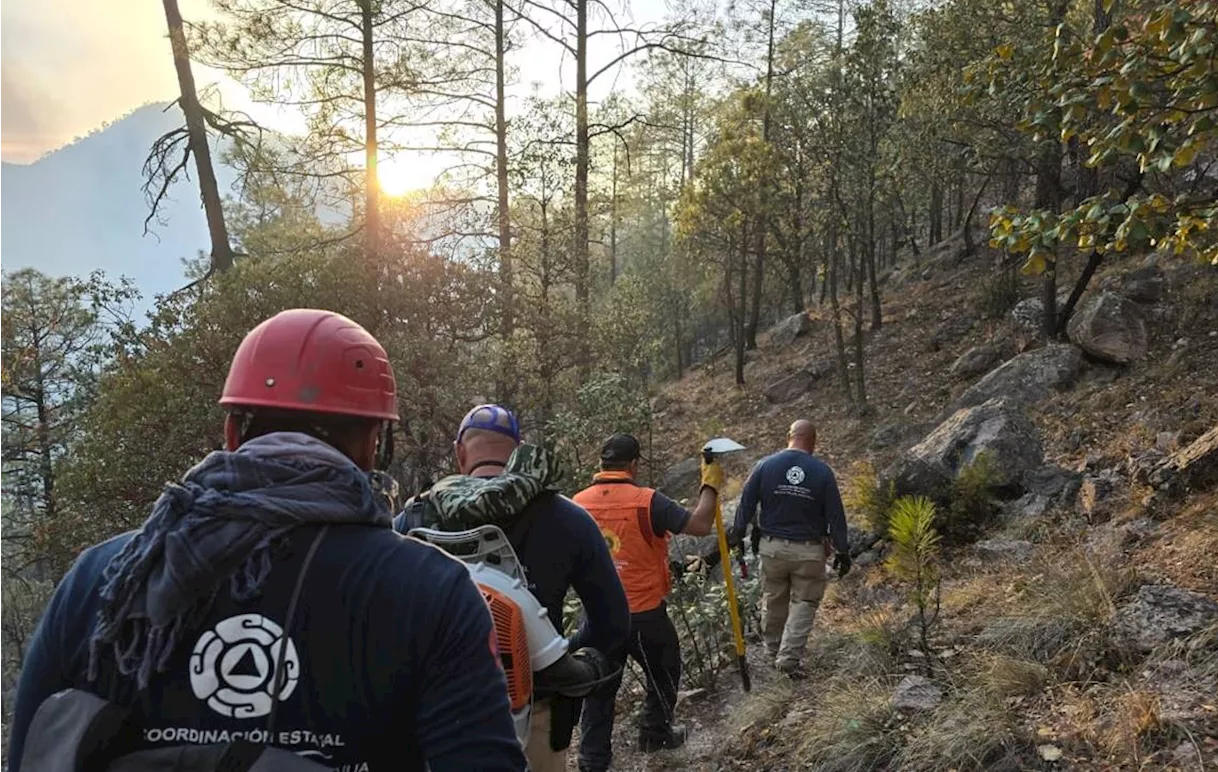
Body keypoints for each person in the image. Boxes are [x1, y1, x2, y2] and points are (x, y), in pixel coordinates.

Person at [7, 309, 526, 772]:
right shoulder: (434, 591)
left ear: (232, 431)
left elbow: (33, 750)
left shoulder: (102, 577)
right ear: (373, 445)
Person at [394, 405, 630, 772]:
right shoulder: (568, 518)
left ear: (460, 453)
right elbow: (612, 622)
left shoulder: (411, 520)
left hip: (433, 716)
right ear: (518, 450)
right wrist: (568, 662)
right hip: (538, 709)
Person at [571, 433, 724, 772]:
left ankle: (592, 760)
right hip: (644, 614)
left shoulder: (577, 502)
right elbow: (700, 525)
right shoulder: (647, 500)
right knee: (666, 669)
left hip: (596, 616)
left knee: (599, 687)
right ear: (634, 464)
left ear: (601, 463)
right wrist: (709, 485)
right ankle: (654, 734)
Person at [730, 419, 850, 678]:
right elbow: (836, 517)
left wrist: (737, 536)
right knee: (804, 602)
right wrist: (843, 550)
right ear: (813, 441)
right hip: (808, 552)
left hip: (772, 549)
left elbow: (745, 506)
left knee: (773, 599)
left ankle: (773, 652)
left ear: (789, 436)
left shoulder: (764, 466)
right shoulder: (822, 473)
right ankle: (787, 659)